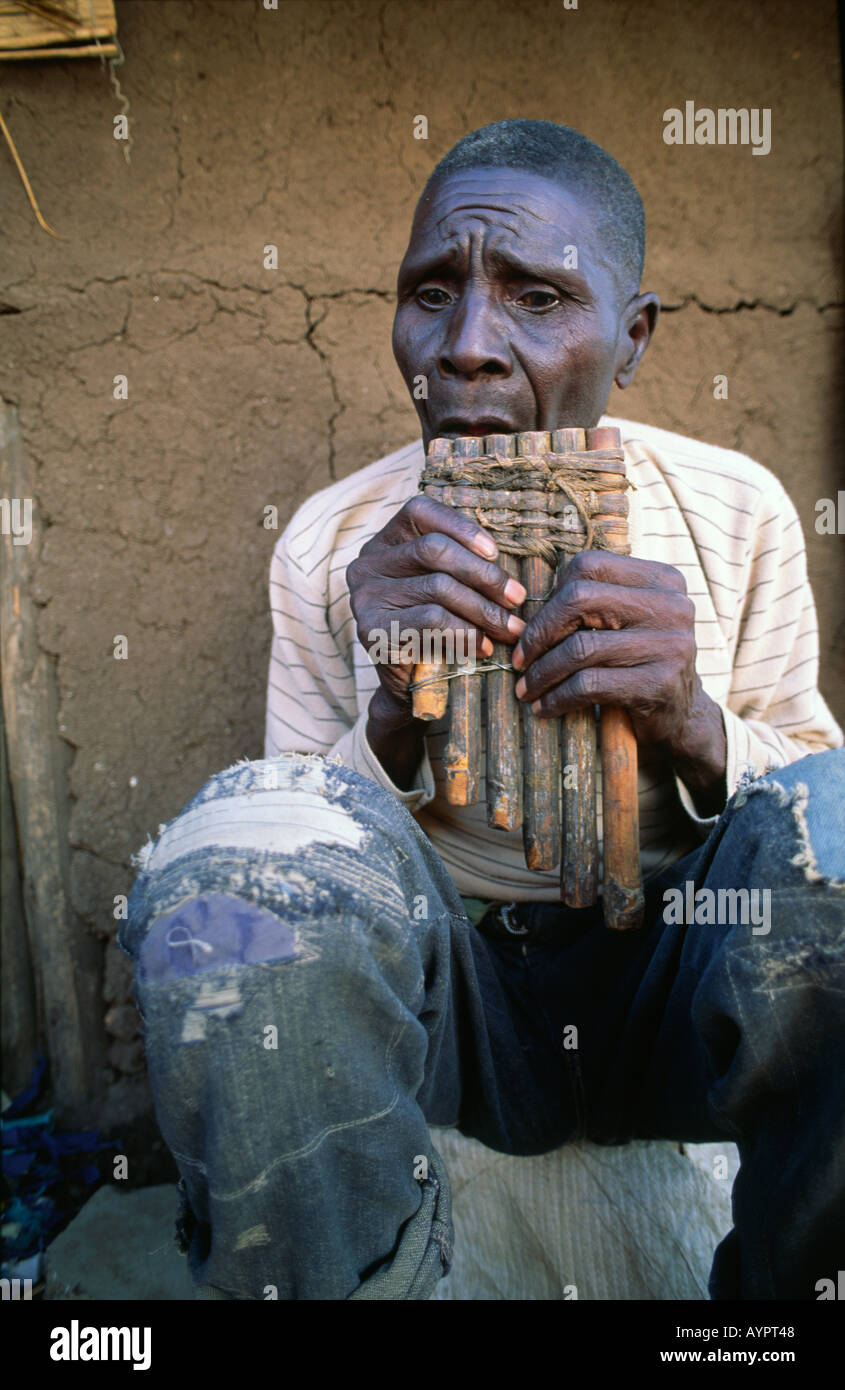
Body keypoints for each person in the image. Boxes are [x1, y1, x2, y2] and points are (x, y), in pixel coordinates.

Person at [121, 120, 845, 1301]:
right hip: (451, 1003)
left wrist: (693, 723)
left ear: (632, 336)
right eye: (430, 294)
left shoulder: (739, 510)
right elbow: (293, 856)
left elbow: (809, 799)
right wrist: (393, 718)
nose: (464, 349)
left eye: (537, 297)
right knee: (234, 865)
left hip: (671, 991)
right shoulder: (328, 545)